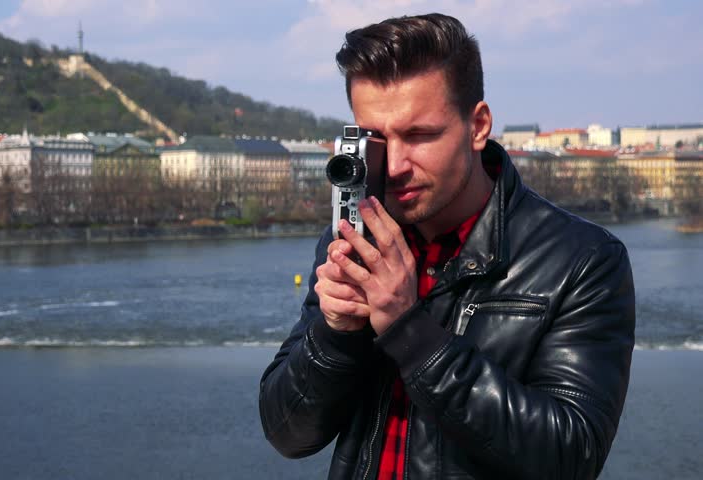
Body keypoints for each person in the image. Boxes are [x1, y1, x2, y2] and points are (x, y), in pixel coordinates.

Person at [259, 13, 635, 480]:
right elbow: (287, 434)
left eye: (419, 135)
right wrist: (336, 334)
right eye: (375, 137)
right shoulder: (353, 242)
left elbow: (571, 456)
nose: (394, 165)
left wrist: (409, 331)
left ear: (478, 126)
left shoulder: (582, 260)